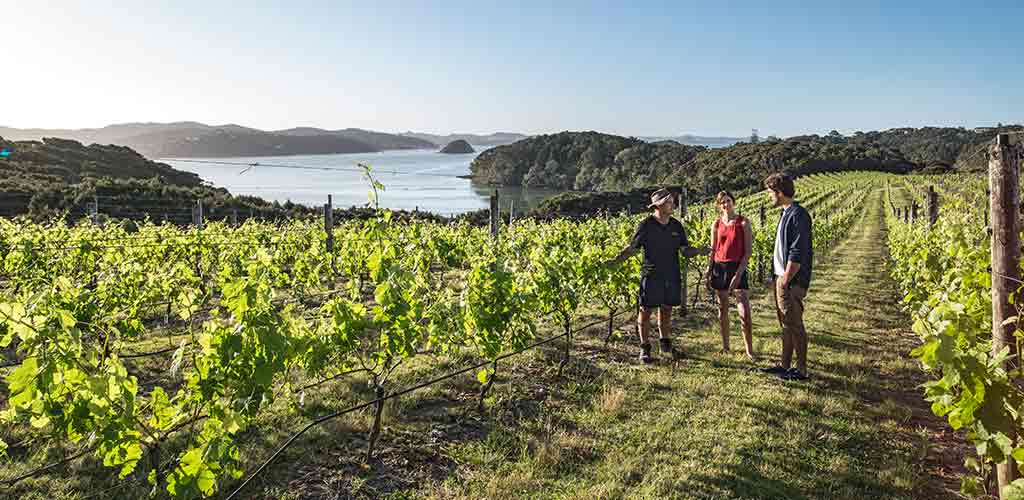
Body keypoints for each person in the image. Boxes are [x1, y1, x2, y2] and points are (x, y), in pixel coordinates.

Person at [606, 188, 710, 363]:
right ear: (659, 206)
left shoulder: (676, 225)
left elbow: (684, 250)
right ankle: (644, 348)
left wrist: (700, 250)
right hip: (651, 274)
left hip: (672, 273)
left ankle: (665, 344)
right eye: (669, 202)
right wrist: (615, 260)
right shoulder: (646, 225)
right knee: (645, 310)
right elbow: (633, 248)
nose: (673, 205)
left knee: (667, 308)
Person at [760, 173, 813, 381]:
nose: (769, 197)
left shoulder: (798, 215)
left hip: (790, 280)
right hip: (782, 277)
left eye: (770, 193)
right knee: (785, 324)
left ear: (779, 192)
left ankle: (801, 370)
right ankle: (785, 365)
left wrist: (786, 278)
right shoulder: (786, 213)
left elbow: (797, 251)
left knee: (795, 324)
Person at [705, 191, 754, 359]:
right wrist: (709, 269)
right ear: (719, 206)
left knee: (744, 310)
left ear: (733, 202)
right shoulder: (716, 224)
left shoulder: (743, 222)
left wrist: (739, 274)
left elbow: (748, 252)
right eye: (722, 202)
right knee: (723, 309)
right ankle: (726, 347)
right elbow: (713, 249)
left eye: (728, 201)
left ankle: (749, 350)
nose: (726, 204)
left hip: (737, 266)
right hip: (719, 267)